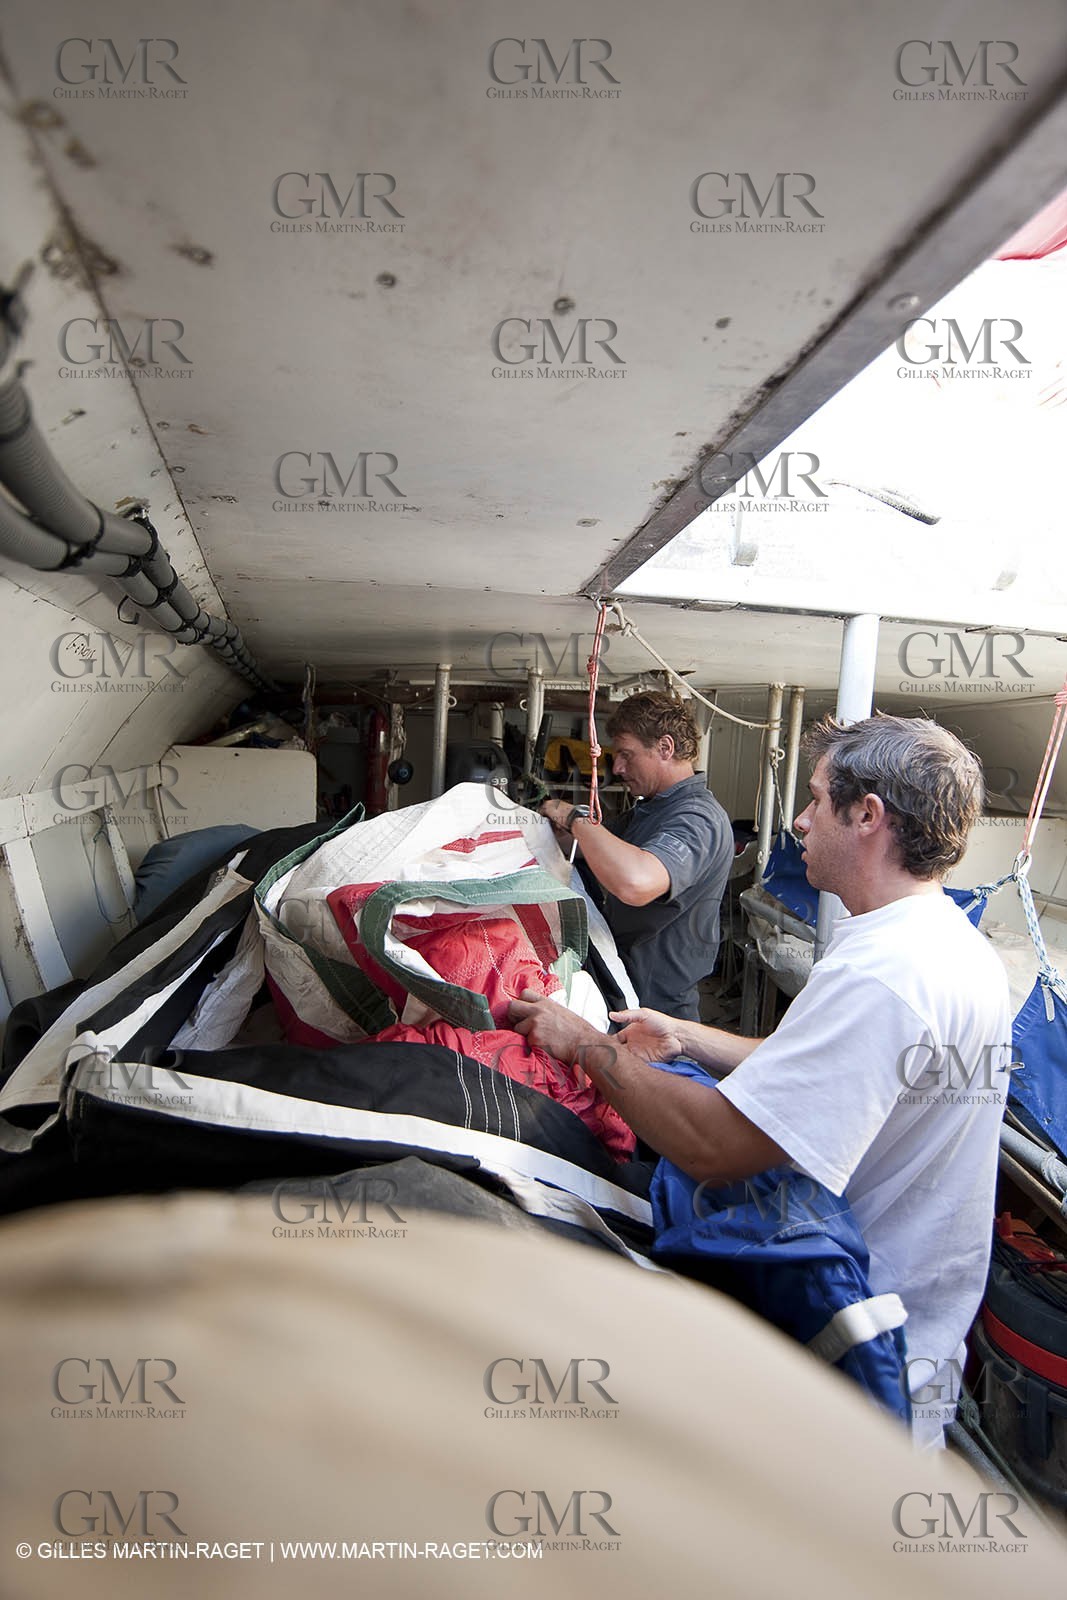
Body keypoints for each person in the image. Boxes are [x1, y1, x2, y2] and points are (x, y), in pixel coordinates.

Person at [513, 713, 1013, 1450]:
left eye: (814, 802)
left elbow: (714, 1147)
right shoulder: (940, 943)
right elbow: (814, 1069)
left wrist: (584, 1045)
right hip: (897, 1335)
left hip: (850, 1363)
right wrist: (687, 1037)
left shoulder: (887, 975)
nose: (801, 823)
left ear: (867, 816)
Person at [538, 692, 733, 1020]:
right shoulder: (650, 810)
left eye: (627, 755)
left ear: (665, 748)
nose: (617, 767)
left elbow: (635, 882)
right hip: (623, 992)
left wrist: (573, 817)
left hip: (661, 1011)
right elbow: (587, 846)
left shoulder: (699, 819)